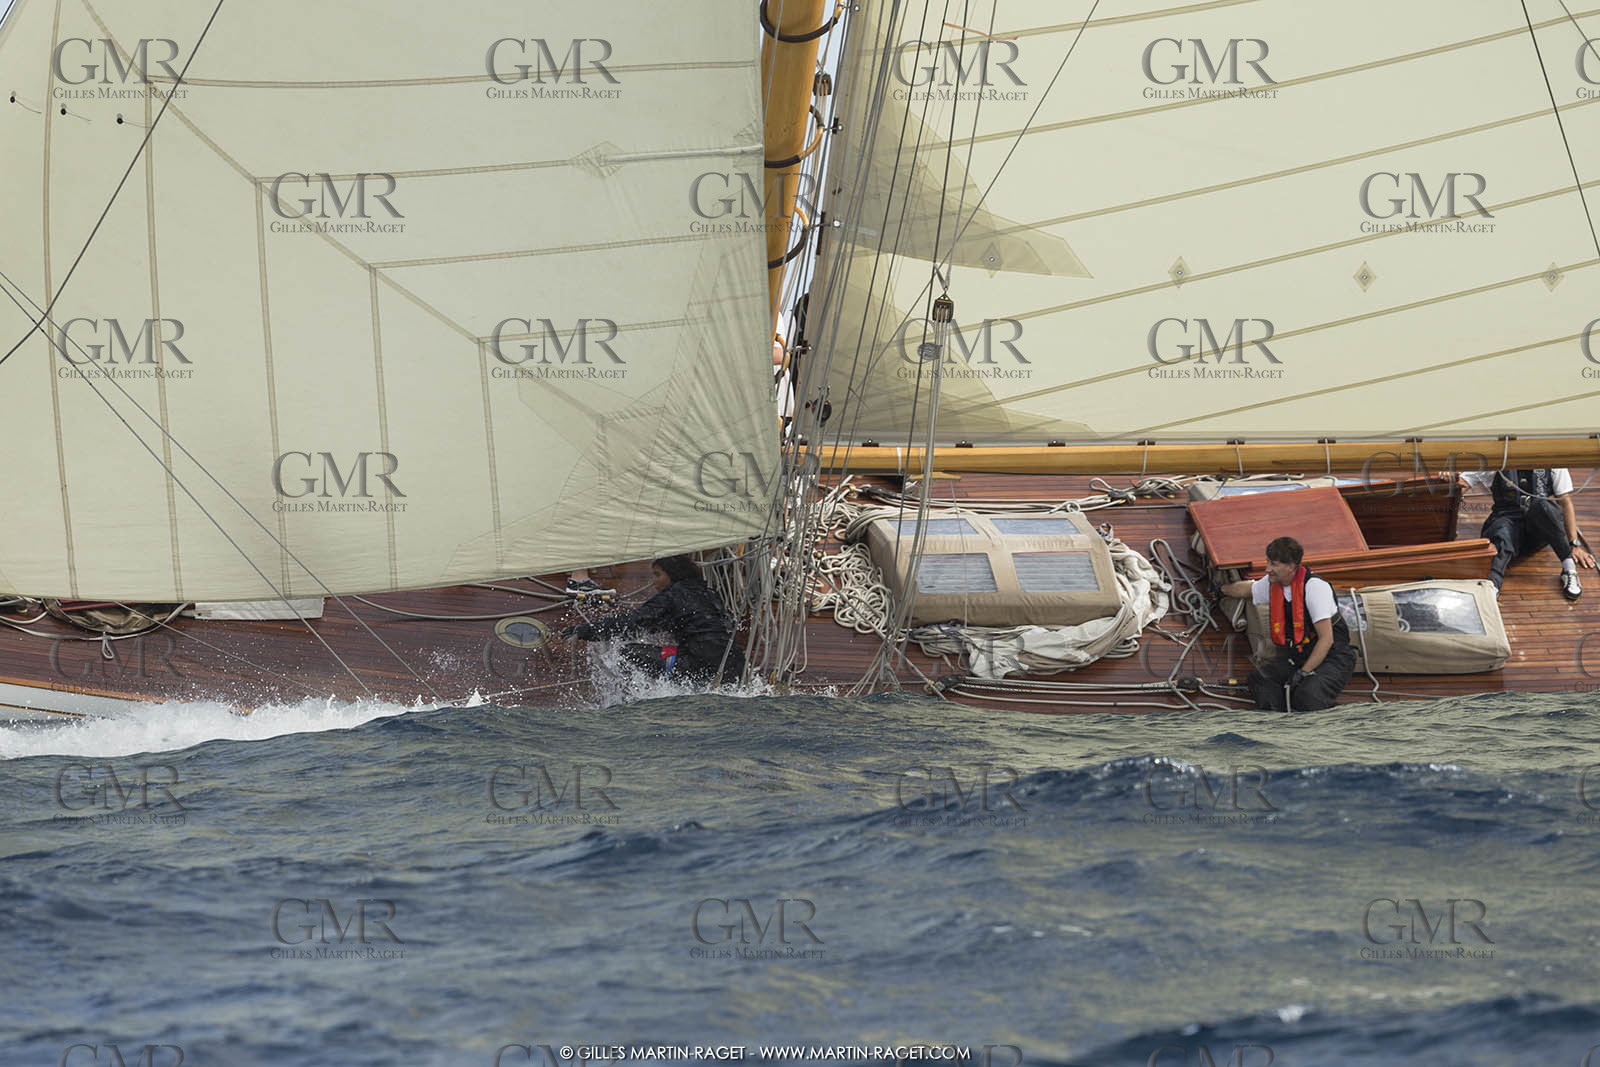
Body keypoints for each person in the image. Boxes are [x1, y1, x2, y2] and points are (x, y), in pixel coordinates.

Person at [1219, 536, 1356, 712]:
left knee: (1307, 695)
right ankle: (1275, 718)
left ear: (1290, 566)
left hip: (1333, 657)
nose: (1267, 569)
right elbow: (1247, 589)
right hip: (1301, 655)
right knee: (1260, 679)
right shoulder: (1274, 582)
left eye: (1274, 564)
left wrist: (1303, 673)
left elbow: (1326, 640)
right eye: (1268, 562)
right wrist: (1222, 590)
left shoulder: (1315, 588)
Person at [562, 554, 745, 683]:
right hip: (735, 666)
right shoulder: (706, 593)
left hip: (700, 666)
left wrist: (588, 630)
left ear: (673, 574)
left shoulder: (674, 594)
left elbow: (634, 622)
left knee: (628, 653)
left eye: (658, 575)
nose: (654, 581)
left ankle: (638, 700)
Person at [1458, 468, 1593, 599]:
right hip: (1507, 520)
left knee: (1543, 505)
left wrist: (1574, 544)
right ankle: (1492, 585)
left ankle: (1569, 568)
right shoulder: (1498, 460)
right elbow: (1462, 483)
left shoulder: (1552, 462)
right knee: (1502, 533)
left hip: (1537, 529)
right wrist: (1452, 482)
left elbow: (1565, 502)